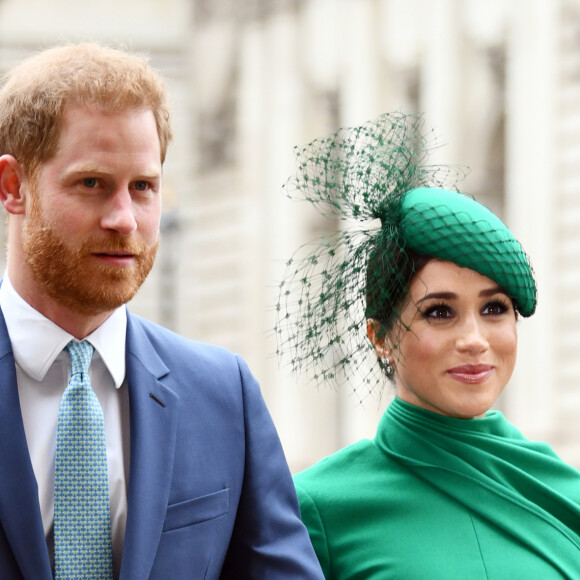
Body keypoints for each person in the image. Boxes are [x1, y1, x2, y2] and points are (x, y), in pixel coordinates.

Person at [0, 42, 324, 580]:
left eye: (144, 187)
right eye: (92, 184)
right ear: (14, 187)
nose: (124, 218)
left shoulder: (223, 395)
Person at [275, 112, 580, 578]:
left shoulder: (562, 490)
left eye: (494, 308)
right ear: (380, 337)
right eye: (439, 312)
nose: (474, 340)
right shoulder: (317, 509)